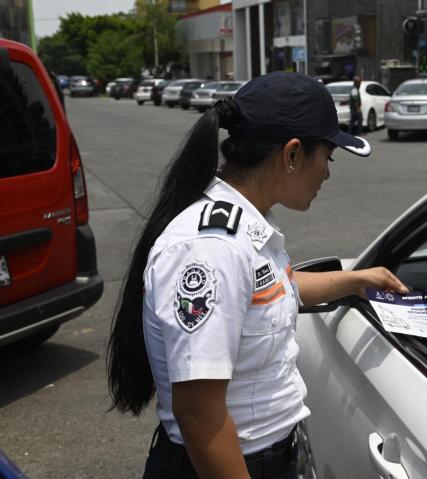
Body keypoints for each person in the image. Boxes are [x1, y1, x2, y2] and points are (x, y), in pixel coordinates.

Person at [107, 71, 408, 479]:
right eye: (328, 158)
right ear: (292, 154)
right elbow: (200, 415)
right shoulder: (213, 249)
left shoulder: (243, 229)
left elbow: (269, 291)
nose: (328, 174)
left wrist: (357, 280)